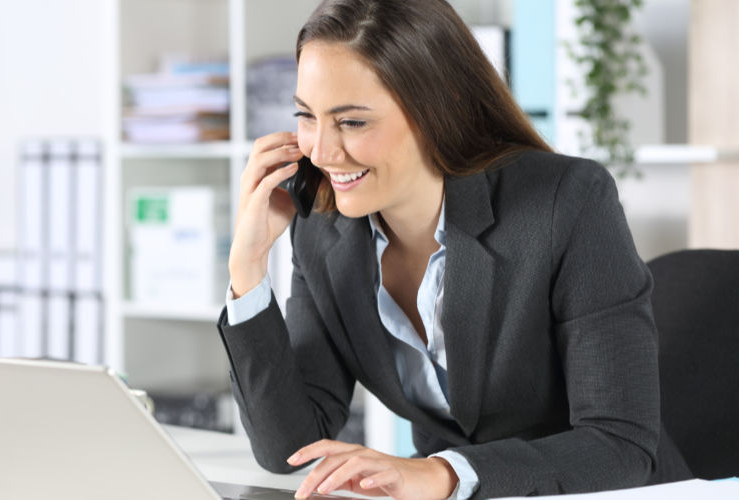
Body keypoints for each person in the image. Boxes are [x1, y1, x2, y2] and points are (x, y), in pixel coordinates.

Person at [217, 1, 691, 499]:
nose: (321, 151)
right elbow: (289, 447)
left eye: (352, 122)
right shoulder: (324, 229)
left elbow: (620, 444)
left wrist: (444, 473)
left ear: (435, 111)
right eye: (306, 116)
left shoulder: (566, 202)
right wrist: (247, 269)